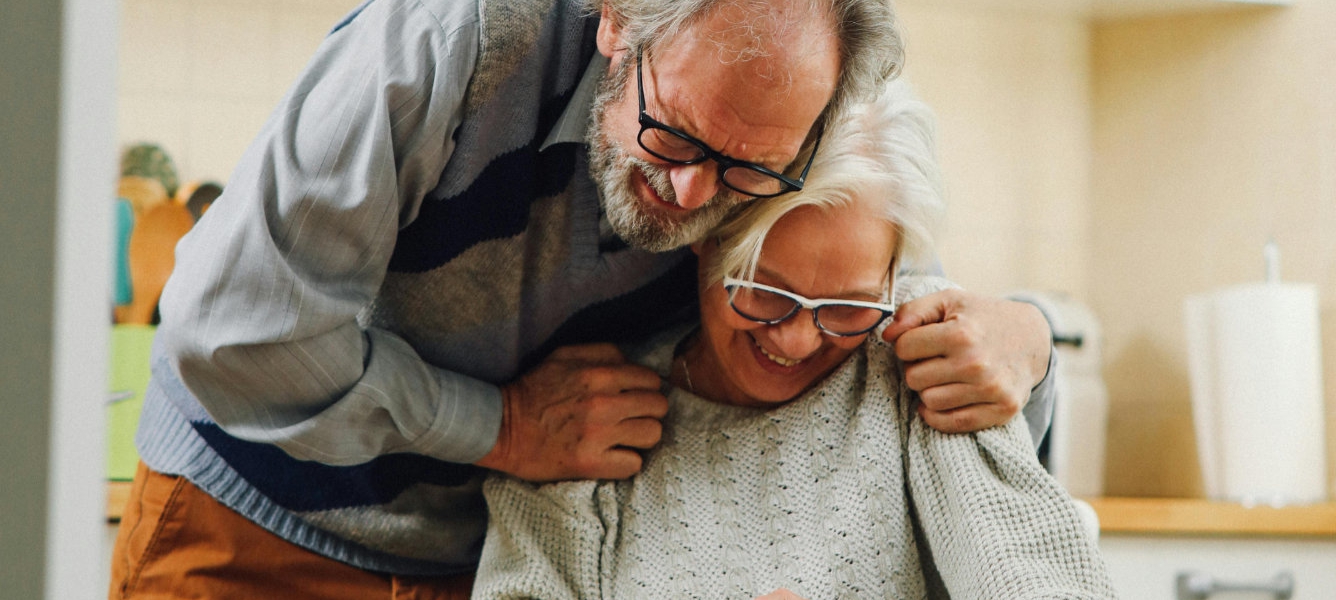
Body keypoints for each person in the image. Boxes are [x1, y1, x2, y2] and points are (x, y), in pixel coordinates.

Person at [110, 0, 1059, 596]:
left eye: (749, 171)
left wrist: (1031, 335)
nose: (695, 199)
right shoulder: (453, 37)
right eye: (674, 137)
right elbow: (233, 332)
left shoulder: (802, 95)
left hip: (465, 556)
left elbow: (864, 264)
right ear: (616, 22)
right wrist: (503, 427)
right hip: (252, 526)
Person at [471, 83, 1114, 599]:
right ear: (703, 233)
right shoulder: (589, 427)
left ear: (894, 277)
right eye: (763, 292)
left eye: (847, 307)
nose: (801, 339)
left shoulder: (918, 364)